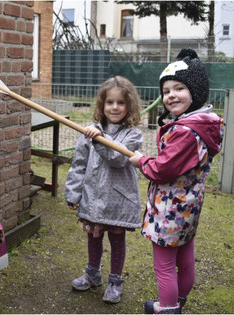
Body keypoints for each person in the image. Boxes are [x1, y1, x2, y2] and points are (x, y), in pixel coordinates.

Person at [129, 48, 224, 314]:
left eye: (179, 88)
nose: (171, 95)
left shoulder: (185, 131)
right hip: (189, 207)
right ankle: (178, 301)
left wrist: (141, 161)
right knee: (185, 258)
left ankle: (167, 308)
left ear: (196, 91)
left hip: (169, 210)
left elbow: (163, 169)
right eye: (166, 90)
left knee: (164, 266)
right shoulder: (205, 123)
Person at [65, 76, 143, 304]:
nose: (115, 107)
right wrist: (73, 193)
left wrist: (99, 139)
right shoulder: (89, 131)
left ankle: (115, 280)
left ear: (129, 106)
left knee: (117, 240)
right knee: (93, 235)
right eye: (110, 102)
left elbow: (117, 158)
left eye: (120, 103)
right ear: (102, 104)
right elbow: (78, 164)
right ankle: (93, 273)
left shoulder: (133, 134)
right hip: (93, 197)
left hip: (118, 199)